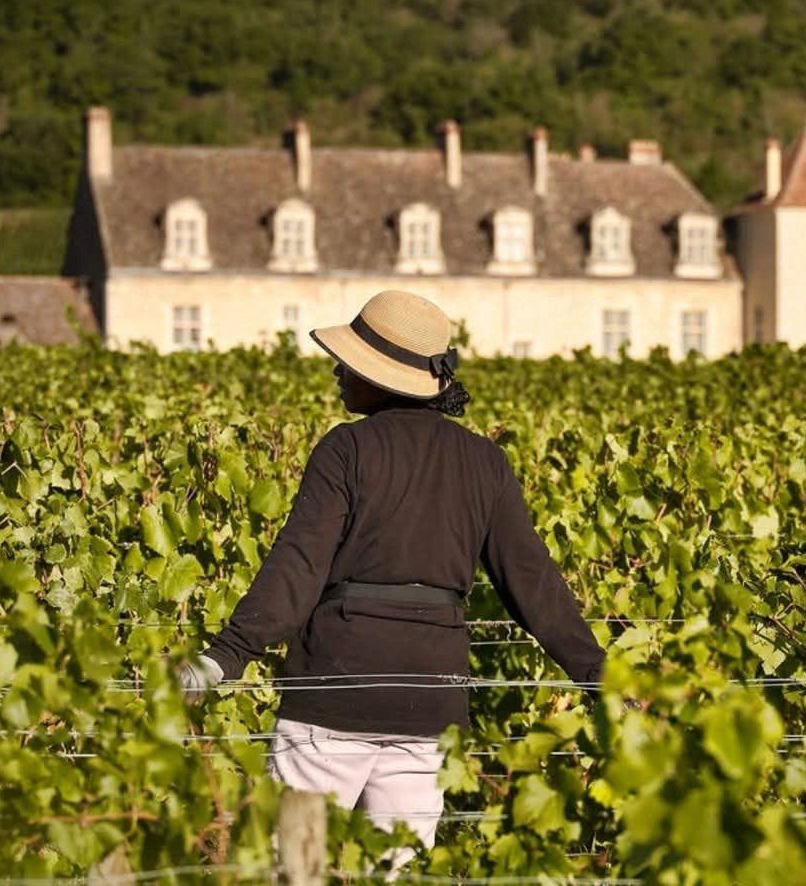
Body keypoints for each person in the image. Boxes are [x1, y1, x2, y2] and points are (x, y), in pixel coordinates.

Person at [178, 289, 606, 860]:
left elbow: (298, 566)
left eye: (350, 362)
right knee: (395, 871)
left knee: (295, 868)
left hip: (334, 695)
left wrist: (223, 657)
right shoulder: (486, 463)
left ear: (381, 378)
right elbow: (535, 586)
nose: (337, 371)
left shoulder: (346, 449)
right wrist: (598, 674)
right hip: (432, 704)